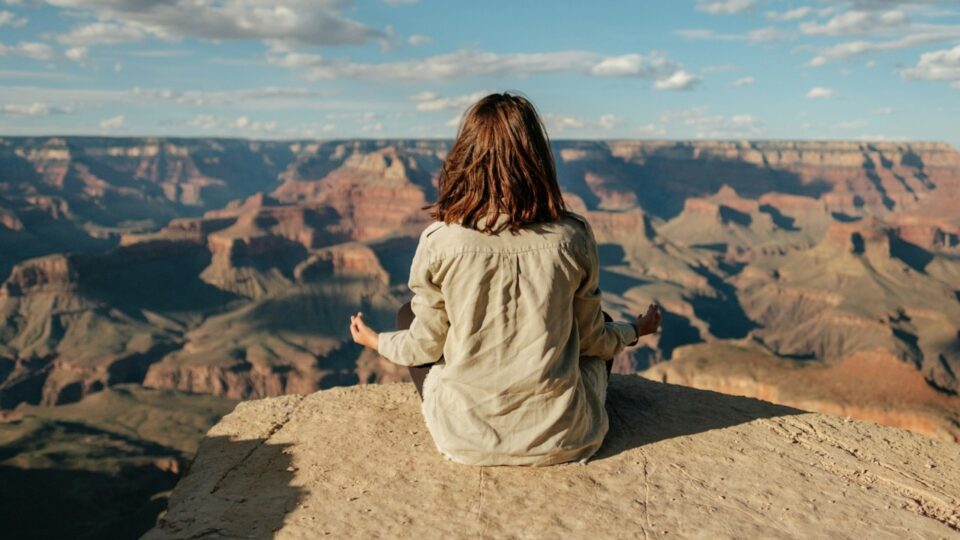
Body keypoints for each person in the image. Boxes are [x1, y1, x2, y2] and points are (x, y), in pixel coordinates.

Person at [348, 92, 662, 466]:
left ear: (465, 158)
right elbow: (593, 340)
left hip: (465, 441)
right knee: (604, 322)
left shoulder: (440, 240)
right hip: (566, 438)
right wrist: (634, 330)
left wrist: (376, 341)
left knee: (407, 317)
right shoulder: (572, 236)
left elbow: (424, 348)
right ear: (537, 159)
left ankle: (473, 420)